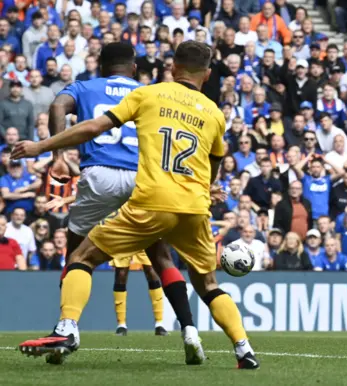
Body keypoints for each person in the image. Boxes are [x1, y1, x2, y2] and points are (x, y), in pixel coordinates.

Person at [13, 41, 259, 369]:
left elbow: (93, 127)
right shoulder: (215, 113)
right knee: (208, 283)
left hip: (151, 200)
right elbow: (213, 165)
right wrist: (210, 189)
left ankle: (67, 328)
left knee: (81, 257)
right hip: (195, 208)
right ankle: (243, 350)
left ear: (172, 68)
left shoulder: (151, 94)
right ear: (209, 74)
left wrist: (41, 147)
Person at [37, 43, 168, 337]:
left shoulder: (84, 86)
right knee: (160, 256)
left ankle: (66, 325)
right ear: (134, 68)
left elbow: (57, 106)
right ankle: (188, 330)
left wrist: (58, 157)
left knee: (76, 254)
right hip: (141, 178)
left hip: (99, 173)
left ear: (100, 65)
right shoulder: (149, 92)